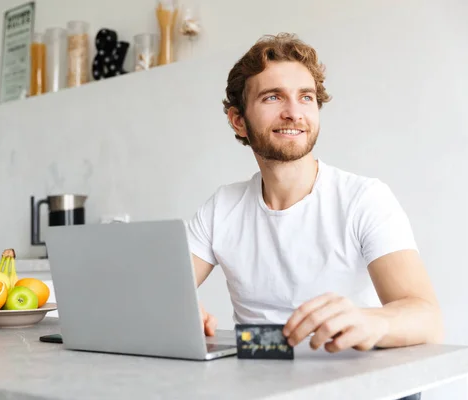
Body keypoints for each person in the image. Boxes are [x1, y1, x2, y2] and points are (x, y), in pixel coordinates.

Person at [187, 33, 443, 356]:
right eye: (273, 98)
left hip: (353, 383)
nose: (294, 112)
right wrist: (177, 311)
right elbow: (159, 293)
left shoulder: (364, 199)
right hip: (259, 384)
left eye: (306, 97)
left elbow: (428, 319)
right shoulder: (221, 209)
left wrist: (371, 321)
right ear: (239, 121)